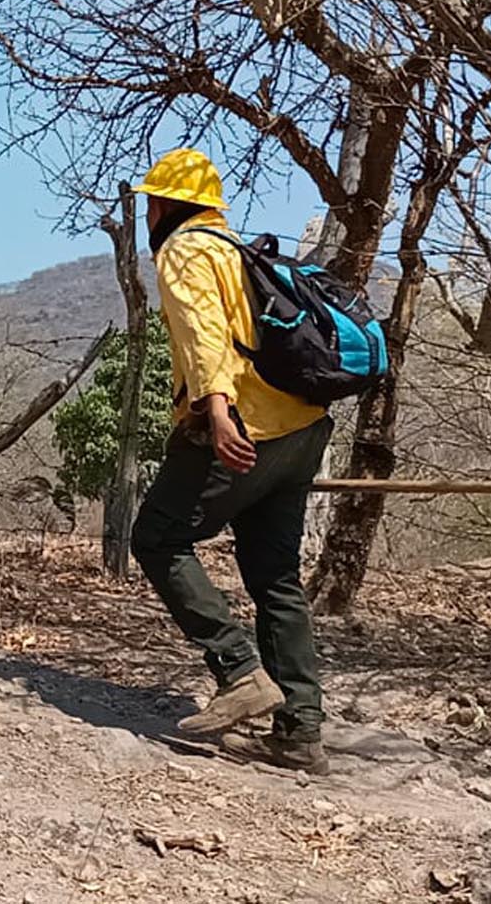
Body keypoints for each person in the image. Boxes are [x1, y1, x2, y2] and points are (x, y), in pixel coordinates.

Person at [129, 146, 334, 774]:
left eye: (150, 203)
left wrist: (216, 409)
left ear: (164, 204)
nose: (148, 215)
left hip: (241, 427)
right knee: (274, 575)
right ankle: (300, 730)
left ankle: (239, 672)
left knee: (158, 538)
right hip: (302, 427)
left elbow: (202, 332)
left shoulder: (186, 251)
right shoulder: (238, 250)